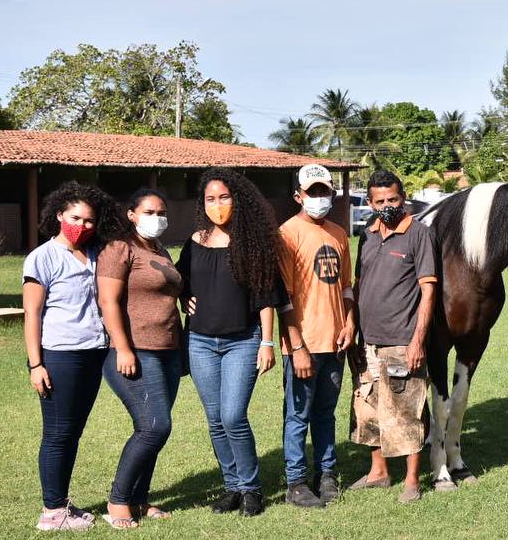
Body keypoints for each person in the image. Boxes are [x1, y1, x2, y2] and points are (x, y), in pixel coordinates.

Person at [177, 169, 285, 518]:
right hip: (200, 342)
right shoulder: (195, 242)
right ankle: (232, 487)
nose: (217, 204)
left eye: (224, 197)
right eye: (210, 198)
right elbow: (179, 282)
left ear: (237, 200)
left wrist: (266, 342)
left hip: (243, 341)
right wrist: (184, 300)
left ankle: (251, 488)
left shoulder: (252, 242)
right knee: (214, 419)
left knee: (233, 415)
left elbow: (266, 297)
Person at [22, 182, 123, 531]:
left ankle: (61, 503)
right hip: (59, 356)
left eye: (90, 220)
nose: (82, 225)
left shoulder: (96, 253)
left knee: (72, 432)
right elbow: (32, 314)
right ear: (59, 215)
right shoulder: (42, 257)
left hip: (92, 352)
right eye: (75, 217)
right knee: (57, 433)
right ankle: (52, 512)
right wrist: (36, 364)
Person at [348, 170, 437, 504]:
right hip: (367, 340)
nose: (387, 206)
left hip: (402, 340)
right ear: (370, 203)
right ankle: (379, 472)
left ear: (404, 198)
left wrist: (417, 341)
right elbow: (359, 286)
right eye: (380, 201)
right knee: (368, 407)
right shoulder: (367, 236)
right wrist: (353, 328)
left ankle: (412, 480)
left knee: (407, 410)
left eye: (393, 199)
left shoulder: (419, 235)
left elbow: (428, 292)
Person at [97, 188, 183, 530]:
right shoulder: (119, 248)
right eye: (149, 212)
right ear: (131, 214)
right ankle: (118, 501)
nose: (157, 218)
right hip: (135, 351)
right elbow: (108, 302)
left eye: (161, 212)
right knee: (154, 426)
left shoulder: (160, 250)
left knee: (155, 431)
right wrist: (123, 348)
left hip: (168, 351)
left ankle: (139, 499)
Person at [276, 164, 355, 509]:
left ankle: (327, 474)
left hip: (335, 343)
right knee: (297, 416)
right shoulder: (287, 234)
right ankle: (295, 481)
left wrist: (350, 323)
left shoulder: (339, 233)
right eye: (313, 192)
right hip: (304, 345)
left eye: (325, 191)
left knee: (325, 413)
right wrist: (297, 347)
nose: (319, 198)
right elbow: (284, 299)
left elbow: (347, 286)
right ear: (299, 196)